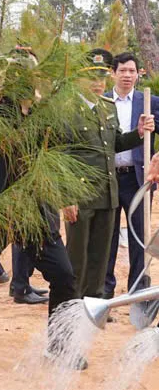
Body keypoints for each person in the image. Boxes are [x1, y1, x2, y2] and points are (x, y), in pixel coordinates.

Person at [0, 51, 77, 370]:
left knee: (63, 274)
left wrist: (65, 197)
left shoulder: (46, 113)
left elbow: (60, 153)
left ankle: (59, 345)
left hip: (35, 210)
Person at [62, 49, 153, 300]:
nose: (98, 84)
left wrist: (138, 133)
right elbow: (62, 158)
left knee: (100, 258)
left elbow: (113, 144)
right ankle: (73, 306)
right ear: (80, 79)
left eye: (101, 78)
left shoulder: (106, 108)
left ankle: (95, 305)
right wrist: (66, 198)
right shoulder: (69, 110)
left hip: (107, 194)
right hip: (81, 195)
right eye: (92, 78)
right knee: (78, 258)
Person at [103, 52, 159, 297]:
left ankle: (138, 293)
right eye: (122, 70)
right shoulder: (102, 102)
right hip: (108, 180)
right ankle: (104, 292)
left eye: (132, 71)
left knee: (139, 238)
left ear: (138, 74)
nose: (127, 75)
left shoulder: (150, 103)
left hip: (139, 179)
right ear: (113, 73)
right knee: (107, 238)